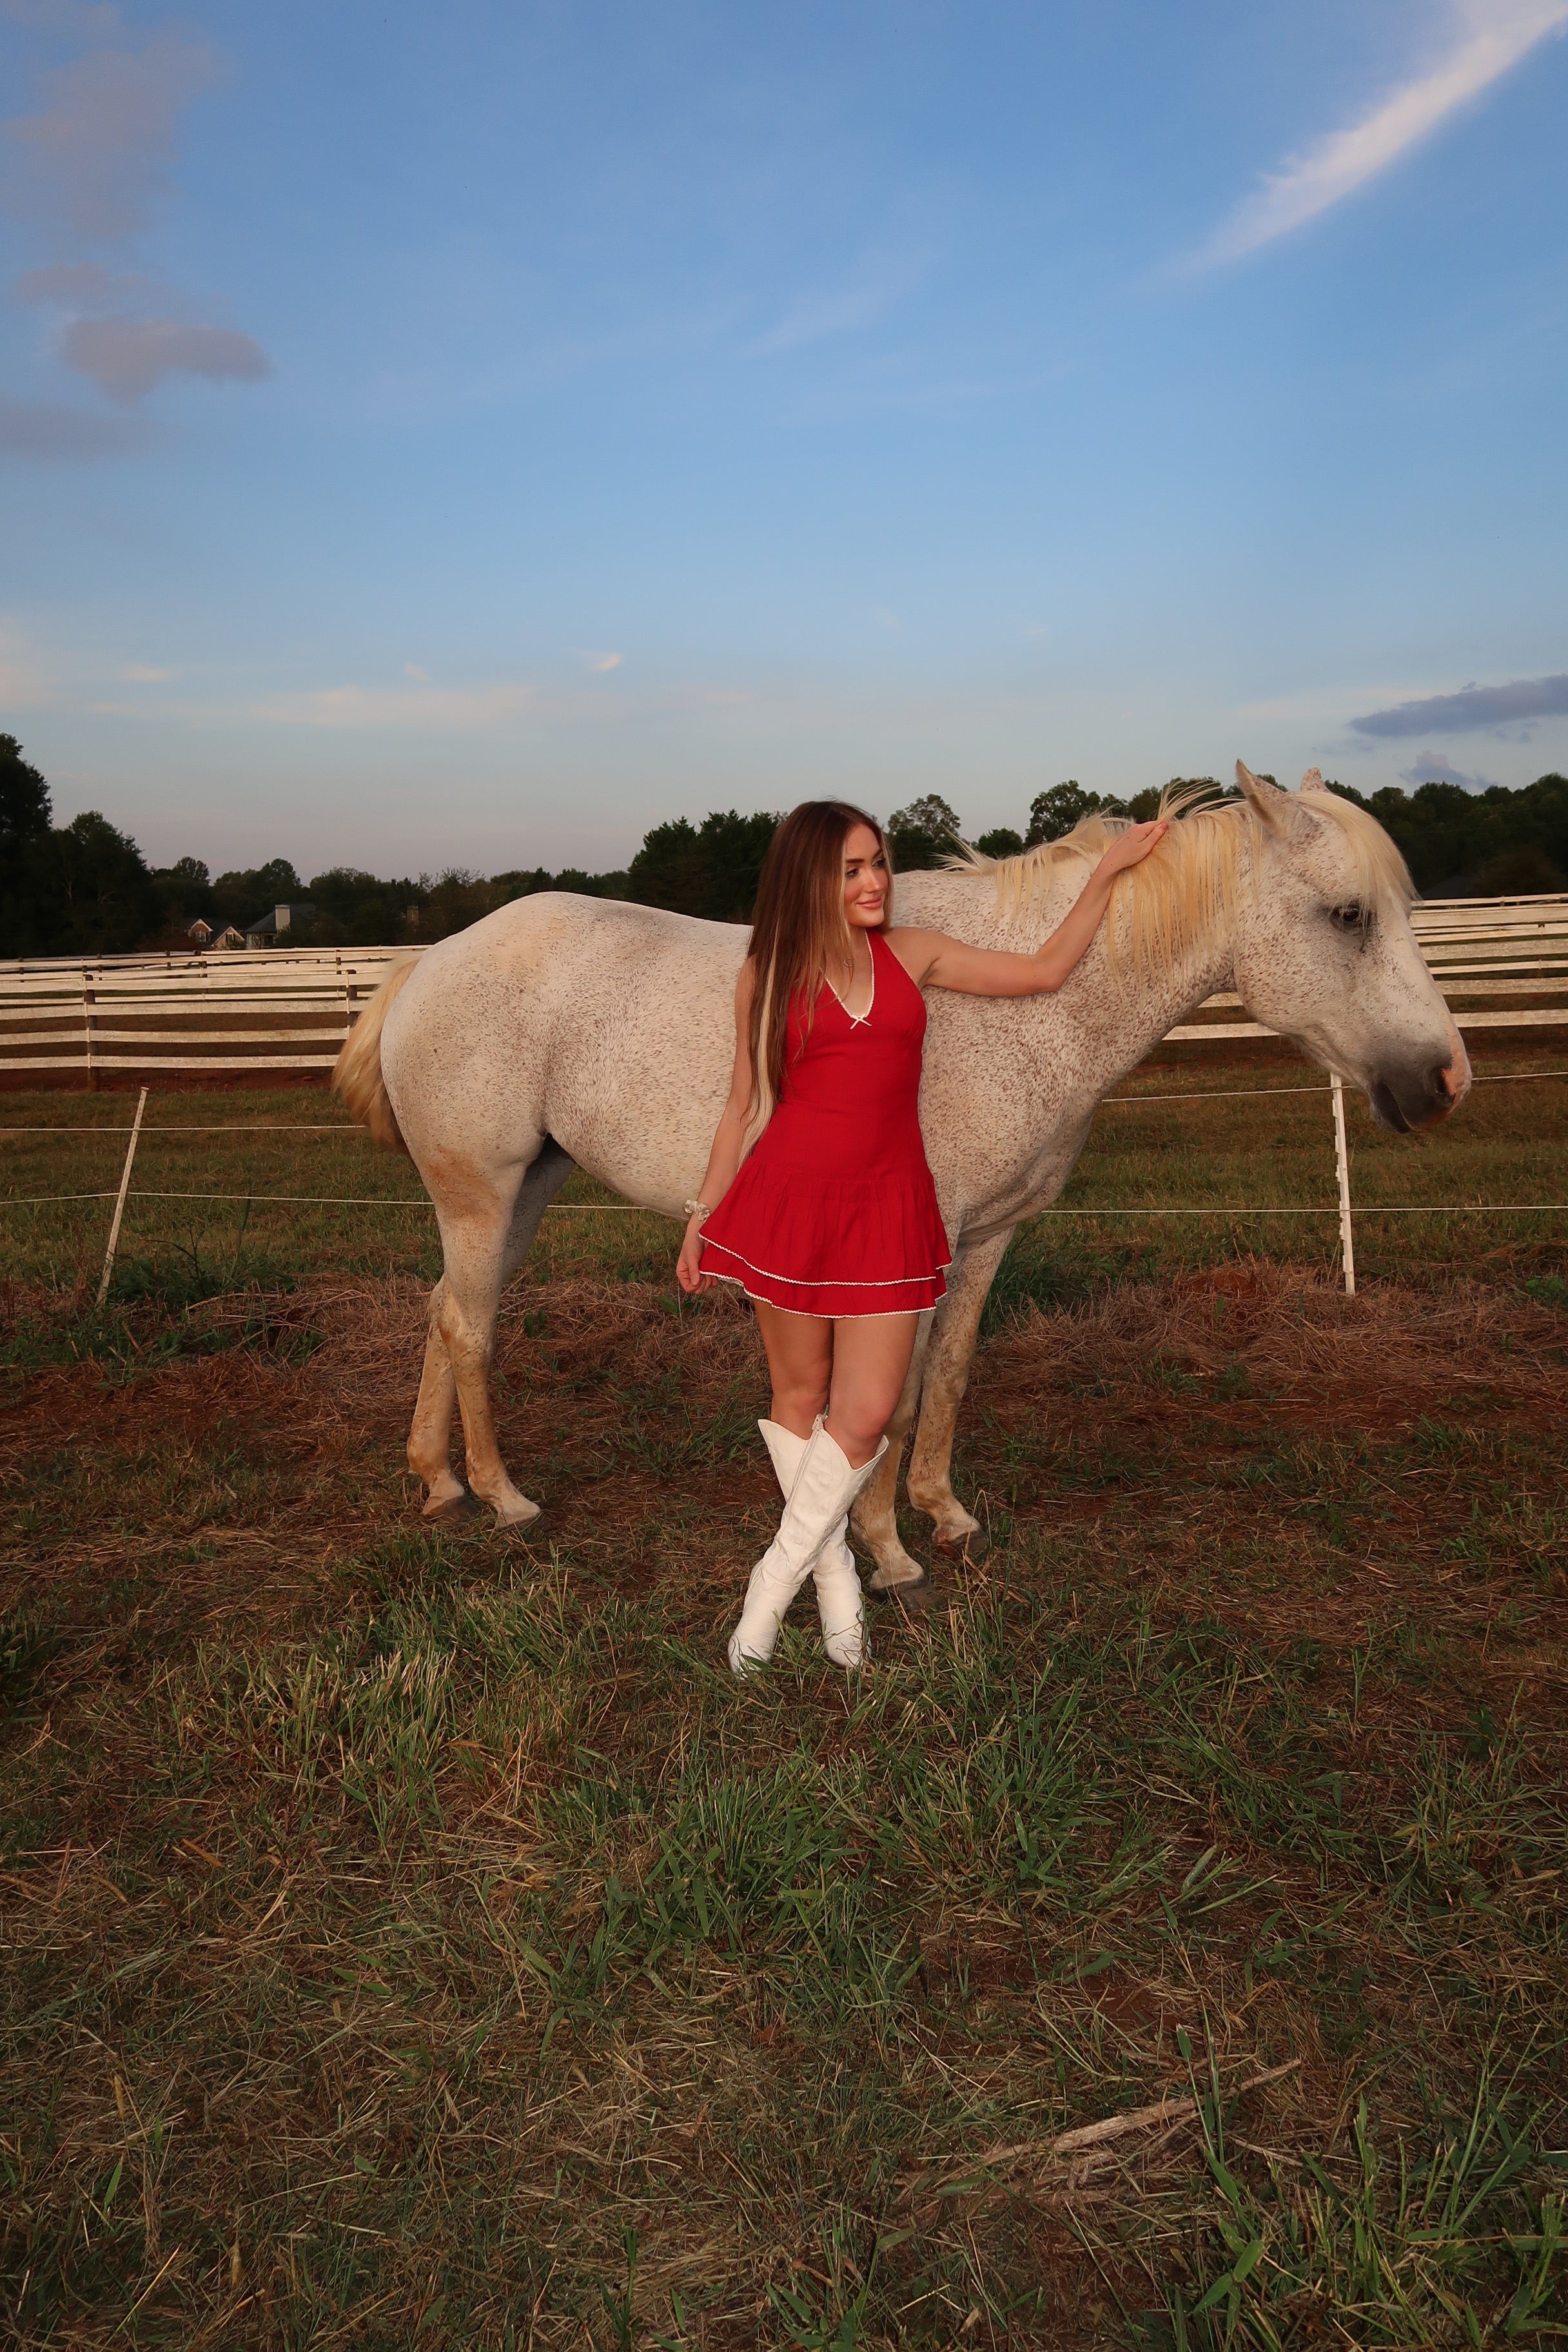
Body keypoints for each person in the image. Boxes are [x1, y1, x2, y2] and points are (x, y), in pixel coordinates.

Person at [677, 798, 1166, 1674]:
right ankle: (834, 1587)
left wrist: (1105, 871)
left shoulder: (915, 954)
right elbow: (742, 1104)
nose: (874, 882)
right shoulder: (767, 971)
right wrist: (702, 1217)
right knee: (798, 1401)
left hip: (889, 1206)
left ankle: (771, 1581)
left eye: (879, 863)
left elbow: (1048, 971)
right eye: (852, 869)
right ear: (809, 881)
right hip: (787, 1199)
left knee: (863, 1415)